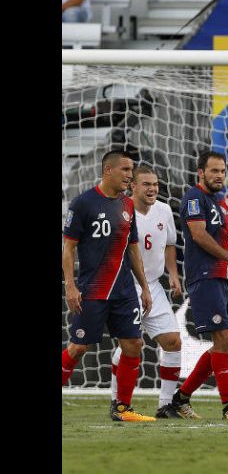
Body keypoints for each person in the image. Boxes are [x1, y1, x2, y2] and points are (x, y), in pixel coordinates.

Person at [61, 150, 155, 422]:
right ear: (108, 170)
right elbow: (68, 249)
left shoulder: (127, 205)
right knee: (78, 348)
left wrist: (144, 287)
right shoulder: (83, 203)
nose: (129, 175)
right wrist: (70, 286)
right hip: (93, 290)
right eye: (125, 169)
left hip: (124, 291)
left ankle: (122, 408)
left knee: (134, 344)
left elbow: (133, 248)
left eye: (131, 170)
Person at [171, 152, 228, 420]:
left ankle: (180, 398)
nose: (219, 175)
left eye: (222, 171)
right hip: (204, 276)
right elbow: (198, 235)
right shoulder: (194, 198)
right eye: (214, 170)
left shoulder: (221, 203)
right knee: (222, 340)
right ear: (201, 173)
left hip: (223, 278)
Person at [108, 166, 184, 418]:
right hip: (126, 286)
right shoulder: (120, 211)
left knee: (173, 342)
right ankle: (117, 401)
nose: (152, 189)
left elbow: (170, 244)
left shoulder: (164, 210)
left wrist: (173, 274)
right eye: (146, 184)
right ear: (133, 186)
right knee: (130, 344)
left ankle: (165, 405)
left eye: (155, 184)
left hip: (153, 284)